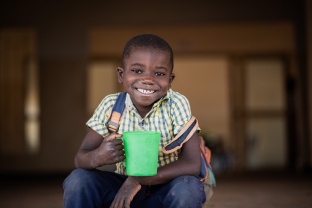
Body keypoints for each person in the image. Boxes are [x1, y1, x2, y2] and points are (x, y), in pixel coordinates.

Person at [63, 34, 207, 208]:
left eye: (159, 73)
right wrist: (97, 156)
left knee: (188, 188)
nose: (147, 79)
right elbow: (80, 158)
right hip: (121, 193)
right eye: (137, 71)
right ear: (121, 75)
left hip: (166, 189)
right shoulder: (111, 105)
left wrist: (136, 180)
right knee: (78, 180)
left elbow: (192, 164)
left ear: (170, 80)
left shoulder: (176, 104)